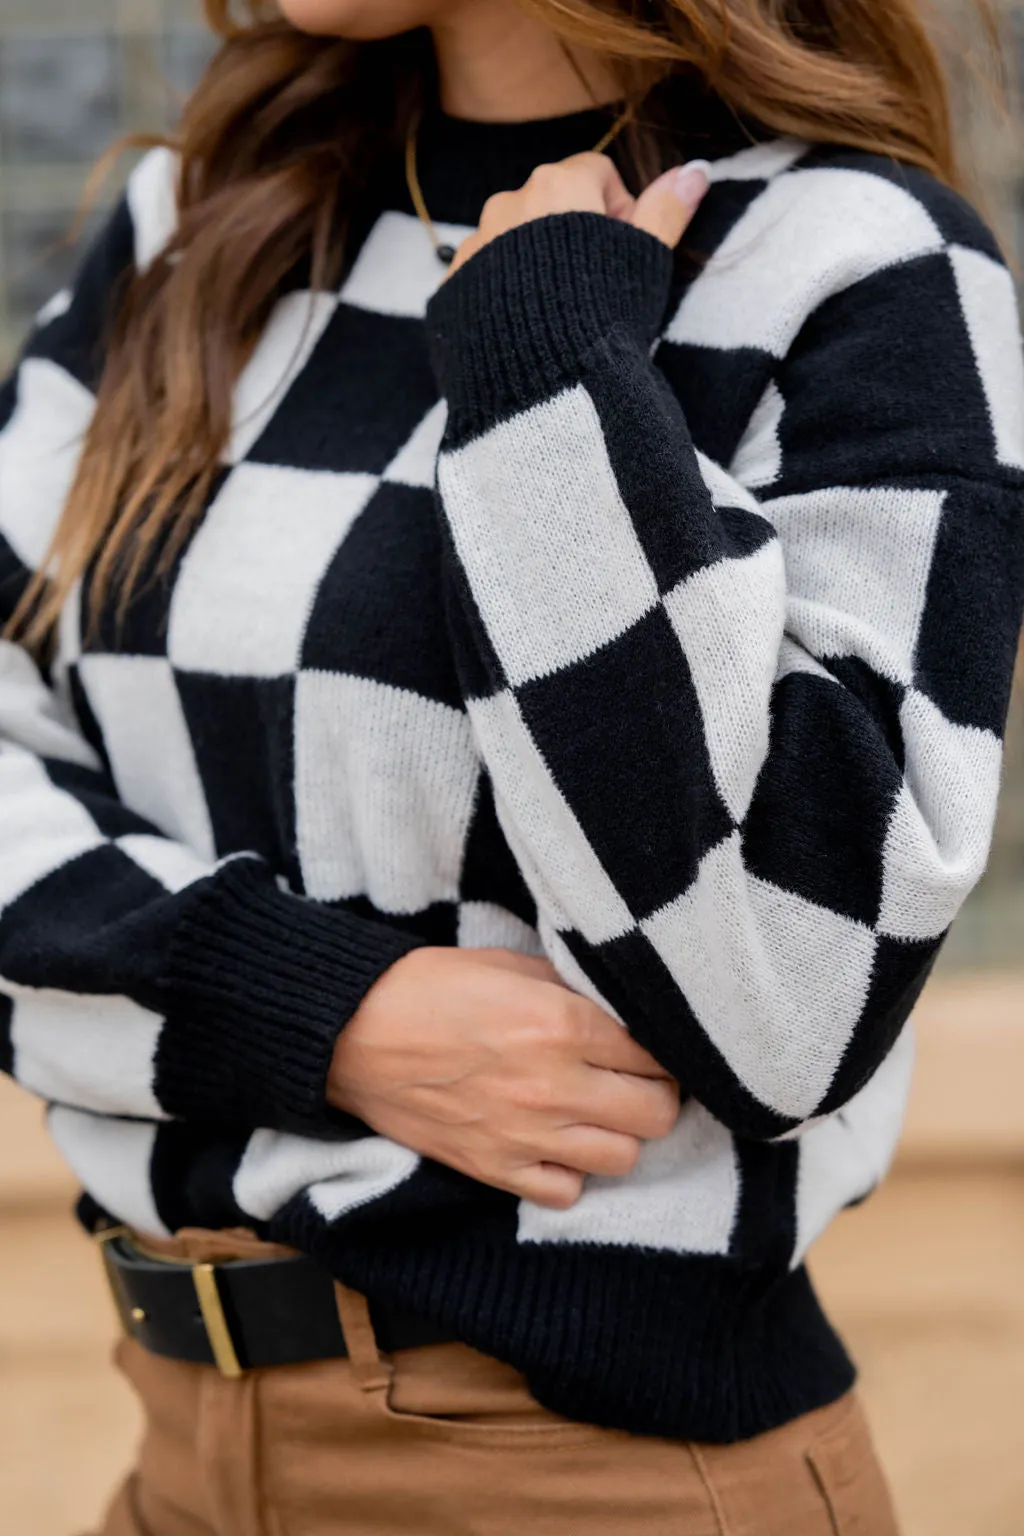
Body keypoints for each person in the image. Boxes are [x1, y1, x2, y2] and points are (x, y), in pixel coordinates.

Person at [1, 0, 1022, 1529]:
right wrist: (318, 1010)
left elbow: (780, 998)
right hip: (182, 1449)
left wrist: (545, 366)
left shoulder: (853, 263)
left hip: (592, 1474)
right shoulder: (198, 221)